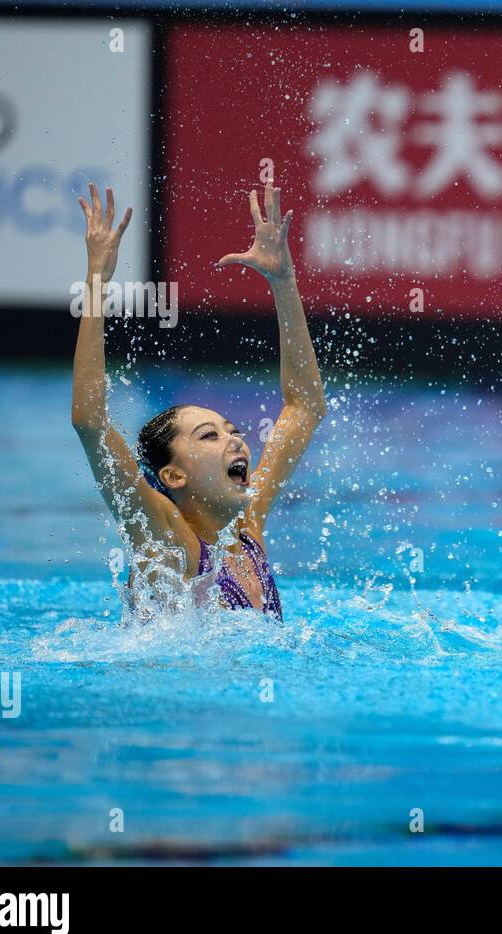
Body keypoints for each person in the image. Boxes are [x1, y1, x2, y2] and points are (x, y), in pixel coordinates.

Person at [71, 182, 327, 619]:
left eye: (233, 431)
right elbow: (90, 422)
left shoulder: (246, 529)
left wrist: (284, 282)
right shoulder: (165, 540)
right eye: (209, 436)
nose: (236, 442)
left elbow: (305, 407)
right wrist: (97, 281)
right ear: (172, 475)